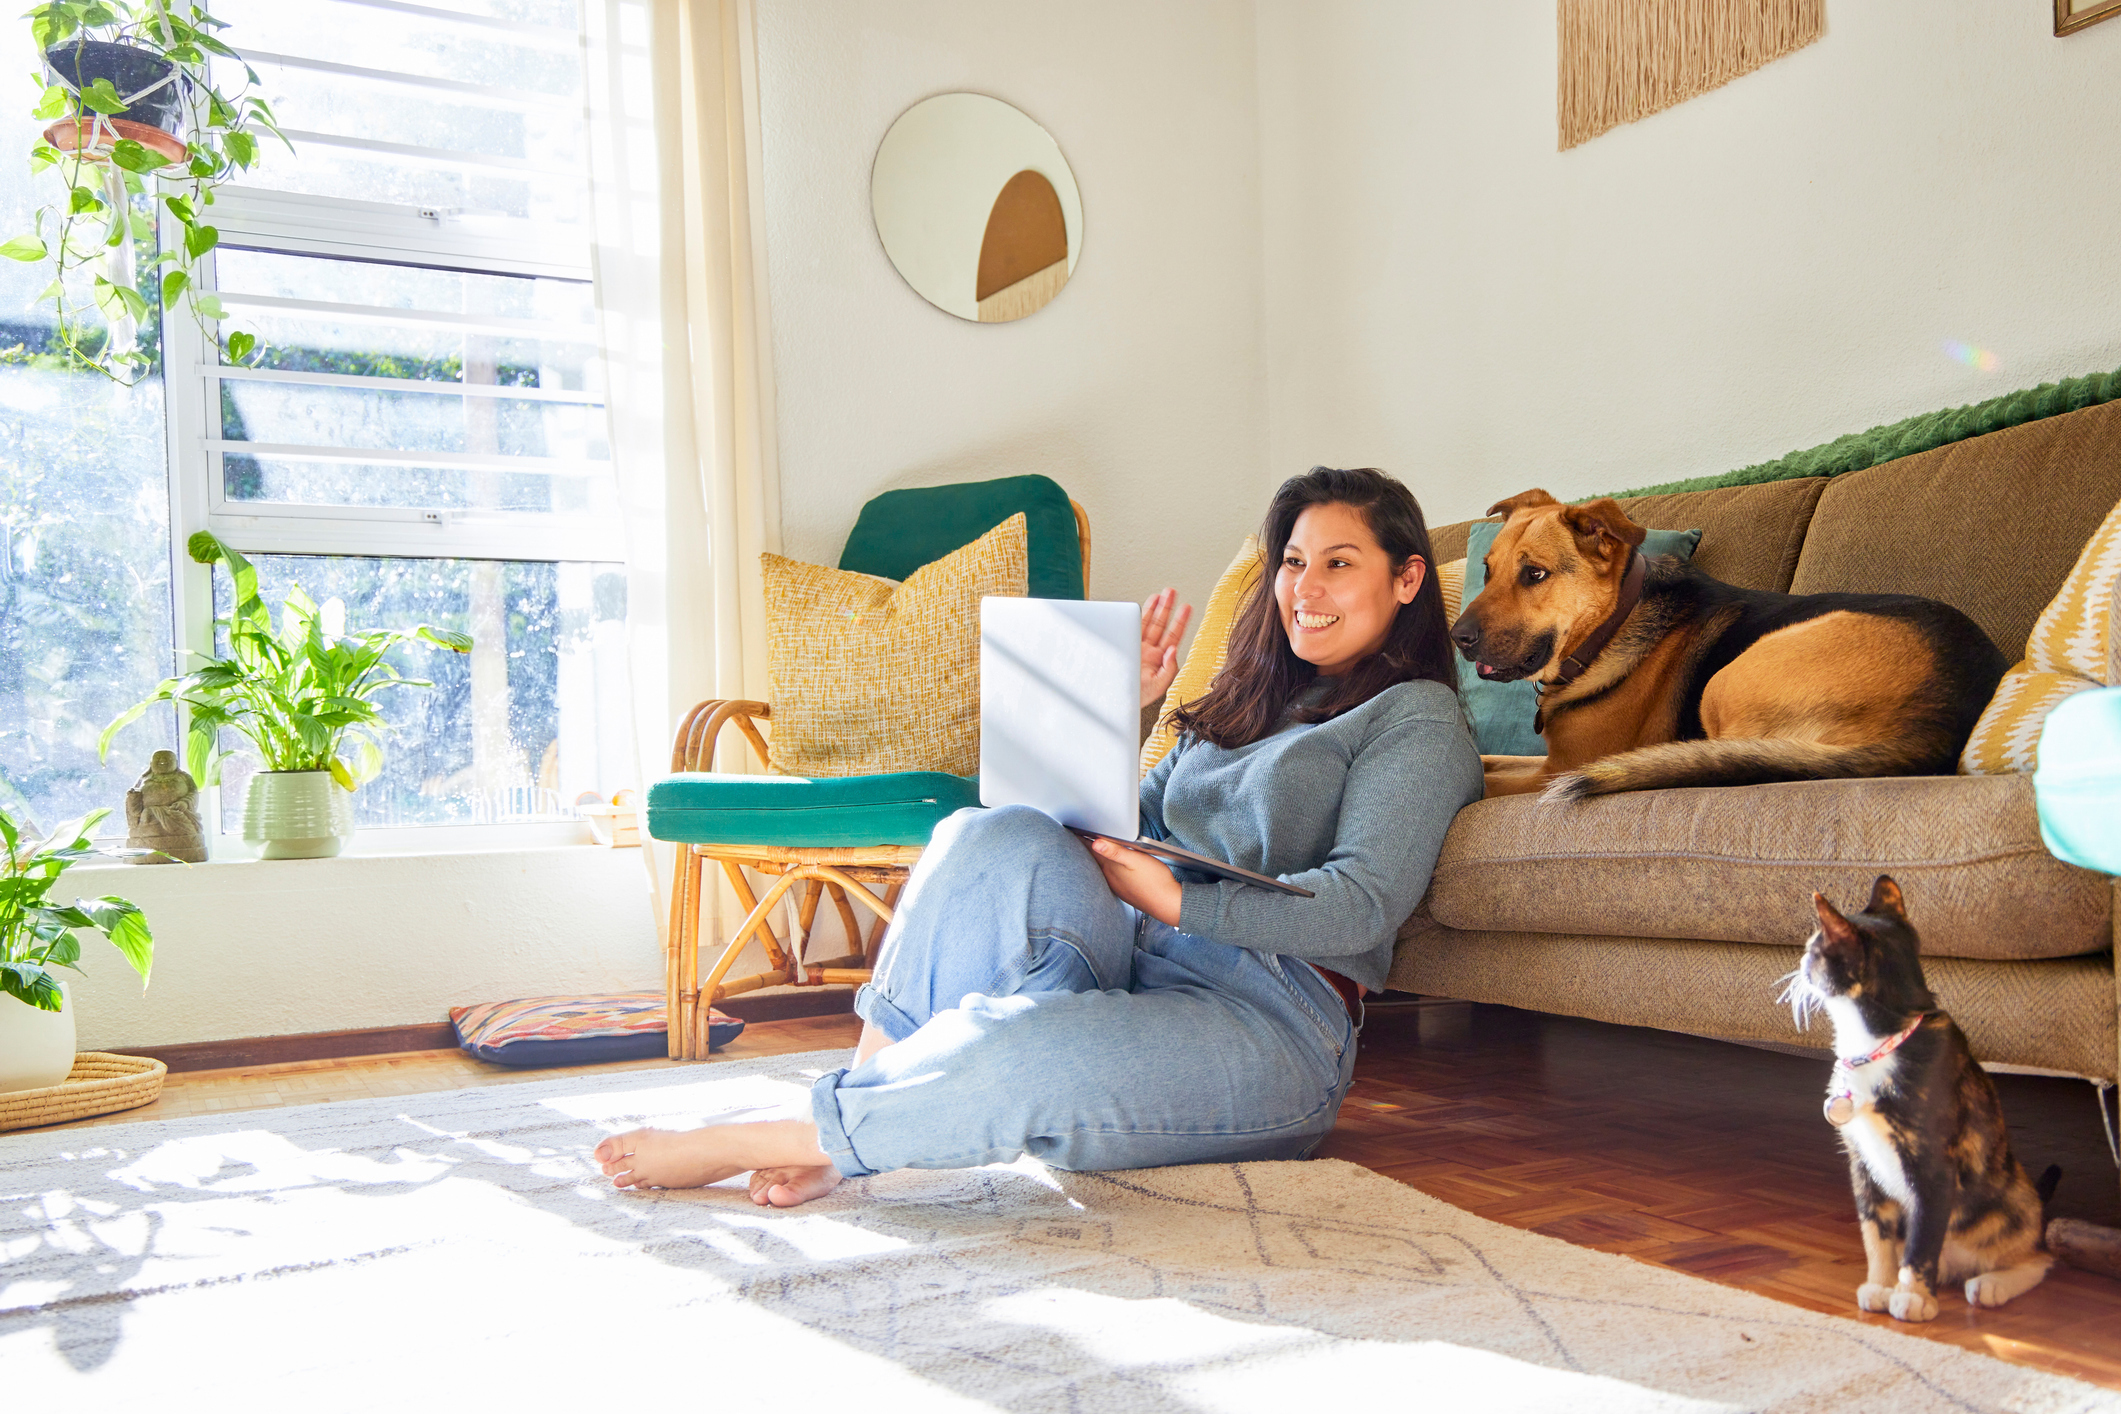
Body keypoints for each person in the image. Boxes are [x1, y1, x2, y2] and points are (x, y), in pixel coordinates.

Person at [595, 466, 1484, 1205]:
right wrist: (1115, 707)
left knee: (1017, 1047)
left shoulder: (1416, 718)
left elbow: (1360, 909)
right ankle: (859, 1109)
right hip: (1133, 953)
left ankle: (796, 1135)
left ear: (1406, 580)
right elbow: (1116, 827)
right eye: (1292, 562)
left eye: (1338, 562)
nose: (1305, 588)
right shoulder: (1237, 705)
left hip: (1271, 1019)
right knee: (990, 831)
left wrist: (1177, 901)